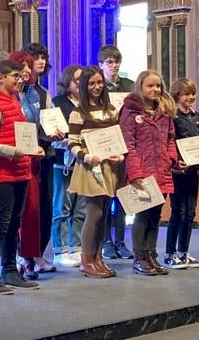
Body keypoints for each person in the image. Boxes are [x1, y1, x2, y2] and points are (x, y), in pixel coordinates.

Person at [0, 60, 45, 293]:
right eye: (15, 76)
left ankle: (9, 271)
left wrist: (33, 150)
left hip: (20, 172)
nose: (19, 80)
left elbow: (20, 138)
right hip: (2, 174)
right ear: (1, 77)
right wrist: (14, 152)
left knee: (13, 224)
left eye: (20, 76)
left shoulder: (14, 102)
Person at [119, 70, 181, 276]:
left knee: (156, 216)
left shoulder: (164, 112)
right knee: (143, 215)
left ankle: (151, 255)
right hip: (142, 173)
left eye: (158, 86)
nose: (155, 89)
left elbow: (170, 138)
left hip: (162, 171)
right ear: (140, 87)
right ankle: (139, 258)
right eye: (150, 86)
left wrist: (171, 158)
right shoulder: (130, 112)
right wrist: (135, 173)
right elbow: (128, 145)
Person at [66, 66, 126, 278]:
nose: (96, 86)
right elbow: (72, 143)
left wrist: (120, 155)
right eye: (91, 83)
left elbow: (117, 138)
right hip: (90, 167)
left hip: (110, 166)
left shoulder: (111, 110)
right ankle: (86, 260)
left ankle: (98, 257)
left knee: (105, 213)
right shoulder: (78, 113)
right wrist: (87, 157)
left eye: (99, 82)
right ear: (84, 85)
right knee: (94, 213)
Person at [9, 50, 61, 279]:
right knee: (15, 212)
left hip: (37, 157)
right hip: (13, 158)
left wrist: (53, 133)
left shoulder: (35, 93)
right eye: (23, 65)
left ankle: (31, 255)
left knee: (36, 210)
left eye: (28, 66)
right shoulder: (6, 95)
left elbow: (42, 124)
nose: (27, 70)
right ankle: (14, 258)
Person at [164, 78, 199, 269]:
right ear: (177, 95)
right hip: (178, 171)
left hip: (193, 170)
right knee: (178, 212)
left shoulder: (195, 115)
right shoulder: (171, 117)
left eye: (193, 93)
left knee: (190, 212)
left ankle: (184, 252)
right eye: (186, 94)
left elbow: (197, 141)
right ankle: (170, 254)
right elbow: (169, 142)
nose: (191, 97)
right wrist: (175, 162)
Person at [99, 44, 135, 261]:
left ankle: (120, 241)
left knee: (122, 196)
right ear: (101, 65)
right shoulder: (98, 86)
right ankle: (106, 242)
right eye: (110, 62)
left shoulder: (129, 85)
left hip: (124, 143)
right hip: (104, 143)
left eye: (117, 62)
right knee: (105, 196)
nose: (114, 66)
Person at [50, 65, 86, 268]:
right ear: (68, 82)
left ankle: (77, 247)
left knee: (81, 207)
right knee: (62, 206)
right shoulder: (58, 103)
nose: (81, 83)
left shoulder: (88, 103)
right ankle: (60, 249)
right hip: (62, 160)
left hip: (83, 161)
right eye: (77, 79)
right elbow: (53, 132)